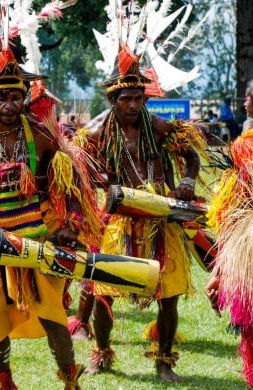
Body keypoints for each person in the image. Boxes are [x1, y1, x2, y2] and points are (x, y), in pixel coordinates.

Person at [0, 47, 102, 389]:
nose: (8, 105)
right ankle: (5, 381)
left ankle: (69, 380)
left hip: (40, 238)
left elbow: (75, 183)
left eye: (15, 97)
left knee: (52, 317)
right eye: (1, 98)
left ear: (24, 98)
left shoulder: (41, 135)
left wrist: (70, 225)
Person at [81, 61, 203, 383]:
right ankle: (102, 353)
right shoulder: (95, 133)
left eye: (138, 98)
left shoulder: (160, 128)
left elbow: (192, 157)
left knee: (169, 295)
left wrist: (187, 184)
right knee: (103, 293)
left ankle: (164, 362)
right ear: (112, 100)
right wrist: (98, 181)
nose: (133, 105)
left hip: (160, 219)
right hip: (119, 221)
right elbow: (77, 171)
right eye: (126, 99)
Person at [205, 80, 253, 387]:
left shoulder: (244, 147)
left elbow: (231, 213)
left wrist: (221, 270)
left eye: (248, 96)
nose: (246, 101)